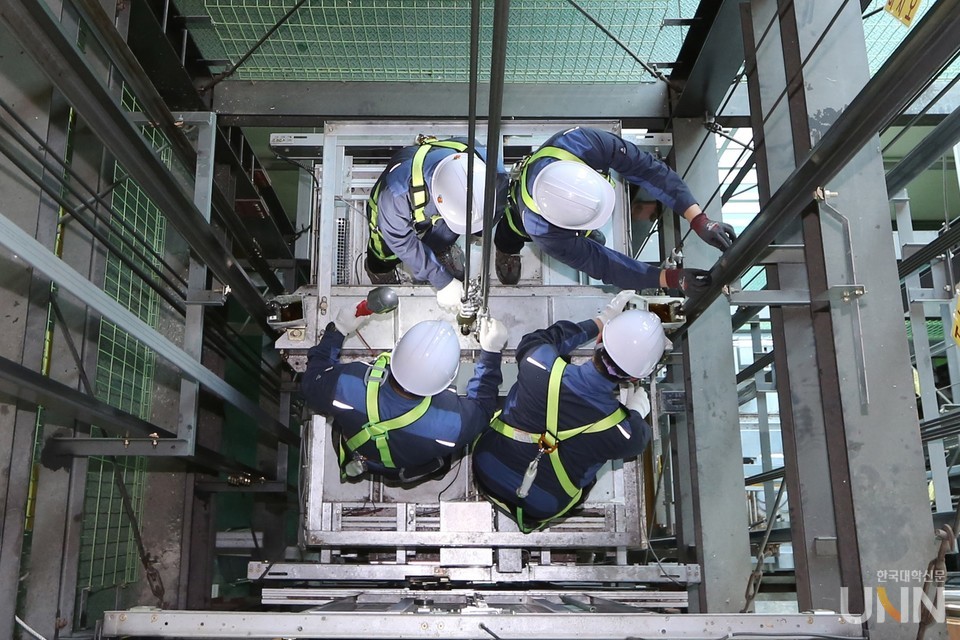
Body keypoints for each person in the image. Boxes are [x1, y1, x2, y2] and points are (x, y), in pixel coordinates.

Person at [472, 291, 666, 532]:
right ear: (635, 377)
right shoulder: (624, 434)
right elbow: (641, 434)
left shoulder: (537, 362)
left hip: (485, 467)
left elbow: (546, 338)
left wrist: (600, 321)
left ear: (599, 341)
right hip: (541, 506)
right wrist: (636, 410)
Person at [493, 126, 736, 294]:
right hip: (520, 221)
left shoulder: (583, 143)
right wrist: (668, 278)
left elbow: (650, 170)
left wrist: (698, 219)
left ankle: (586, 235)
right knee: (509, 234)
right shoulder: (542, 231)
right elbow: (603, 264)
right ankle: (506, 251)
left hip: (571, 221)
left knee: (591, 239)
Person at [302, 305, 507, 483]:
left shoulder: (347, 383)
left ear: (395, 351)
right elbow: (483, 406)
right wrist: (490, 353)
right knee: (438, 464)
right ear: (449, 378)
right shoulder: (452, 423)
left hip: (360, 454)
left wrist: (338, 329)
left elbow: (312, 382)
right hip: (404, 467)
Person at [365, 135, 506, 311]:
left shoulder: (492, 170)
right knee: (384, 247)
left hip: (438, 199)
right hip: (401, 201)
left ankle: (438, 251)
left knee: (446, 231)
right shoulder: (395, 195)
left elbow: (498, 203)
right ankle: (379, 269)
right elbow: (401, 241)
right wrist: (441, 280)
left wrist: (480, 231)